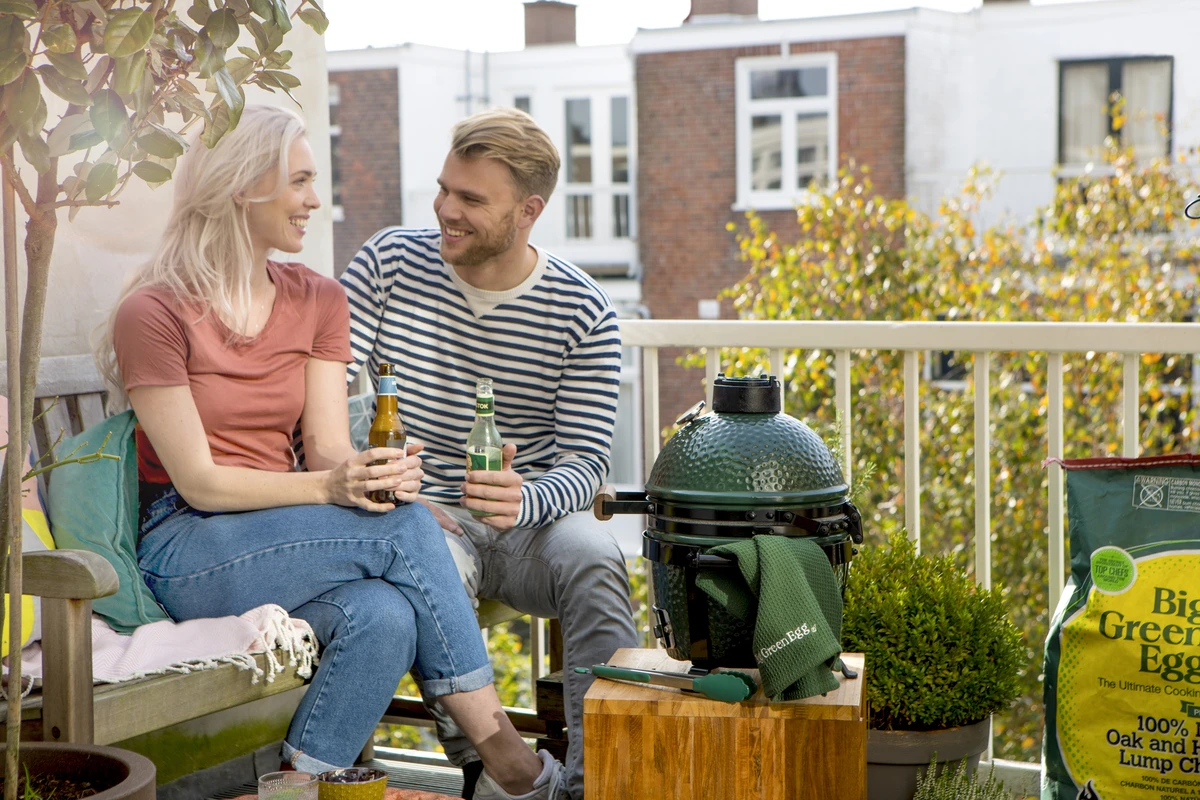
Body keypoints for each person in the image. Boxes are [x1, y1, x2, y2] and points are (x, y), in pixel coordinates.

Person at [93, 105, 563, 800]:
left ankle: (299, 788)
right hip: (189, 546)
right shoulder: (155, 312)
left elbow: (326, 449)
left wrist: (373, 479)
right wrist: (334, 491)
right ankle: (512, 766)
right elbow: (199, 483)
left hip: (286, 539)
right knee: (406, 532)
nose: (315, 200)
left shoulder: (317, 298)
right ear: (241, 186)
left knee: (384, 615)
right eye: (300, 181)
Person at [340, 107, 639, 800]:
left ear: (529, 210)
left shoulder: (583, 312)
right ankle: (490, 773)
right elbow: (322, 384)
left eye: (471, 199)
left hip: (532, 529)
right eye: (444, 189)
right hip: (421, 516)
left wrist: (524, 497)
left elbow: (587, 464)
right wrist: (399, 494)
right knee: (429, 559)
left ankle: (599, 784)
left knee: (597, 557)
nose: (446, 210)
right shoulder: (388, 264)